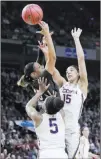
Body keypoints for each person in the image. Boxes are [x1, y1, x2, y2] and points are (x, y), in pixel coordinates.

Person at [37, 28, 88, 158]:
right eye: (66, 71)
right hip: (59, 126)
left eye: (71, 70)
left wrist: (76, 39)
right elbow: (52, 68)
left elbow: (81, 60)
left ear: (78, 74)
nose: (68, 72)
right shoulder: (62, 83)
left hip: (72, 131)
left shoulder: (81, 87)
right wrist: (47, 51)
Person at [25, 77, 68, 159]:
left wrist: (40, 92)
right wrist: (54, 99)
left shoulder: (38, 118)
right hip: (62, 154)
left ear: (45, 107)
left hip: (46, 154)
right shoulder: (62, 115)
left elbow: (28, 106)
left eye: (45, 101)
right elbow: (58, 106)